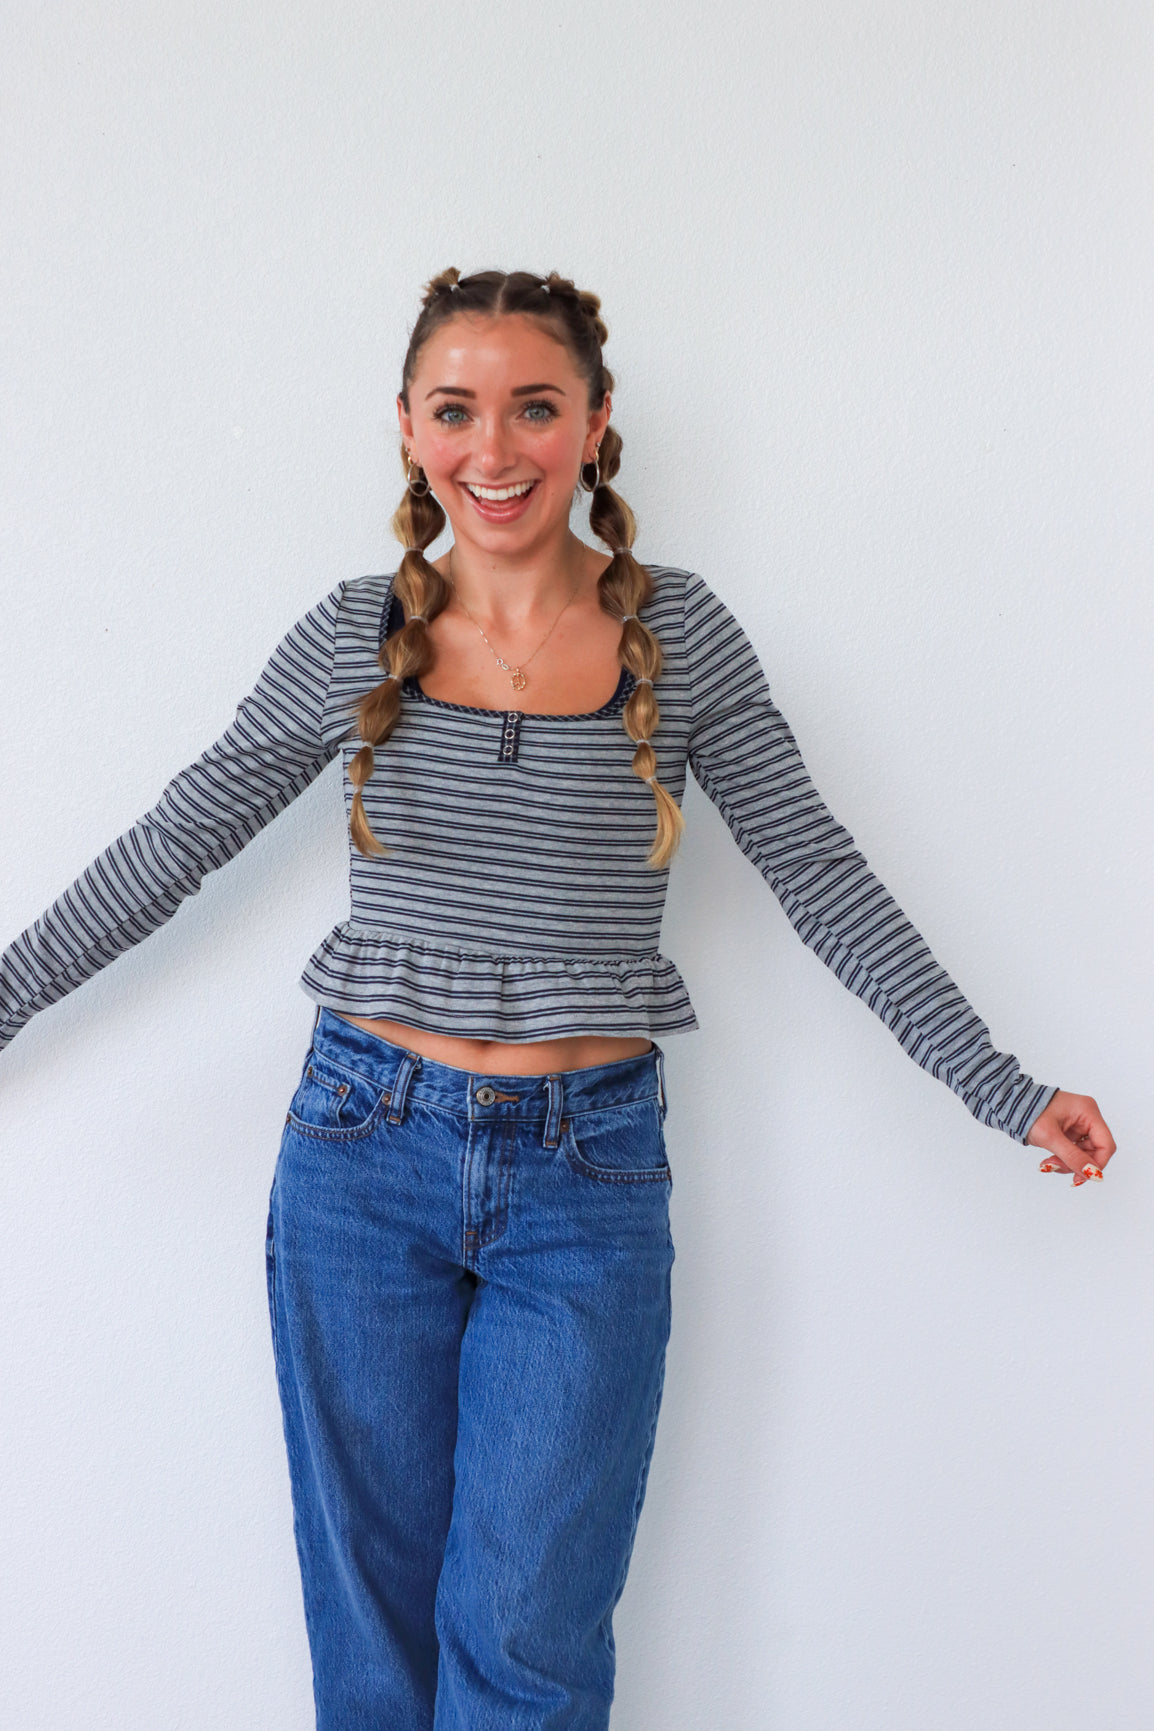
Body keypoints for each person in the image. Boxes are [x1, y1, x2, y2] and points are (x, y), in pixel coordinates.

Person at [0, 267, 1116, 1730]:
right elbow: (179, 836)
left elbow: (821, 877)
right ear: (406, 428)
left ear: (594, 425)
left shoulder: (679, 636)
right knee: (374, 1625)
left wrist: (1000, 1084)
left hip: (584, 1173)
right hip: (360, 1151)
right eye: (457, 410)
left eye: (535, 407)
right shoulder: (354, 637)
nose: (495, 448)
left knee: (528, 1635)